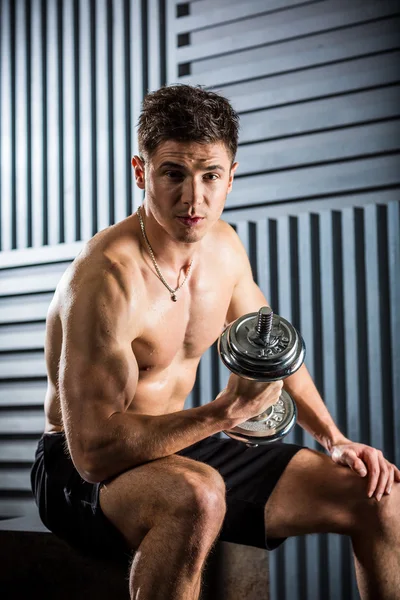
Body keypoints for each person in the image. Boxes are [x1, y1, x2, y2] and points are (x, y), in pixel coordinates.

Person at [31, 84, 400, 600]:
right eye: (173, 174)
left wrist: (334, 439)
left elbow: (272, 349)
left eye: (210, 176)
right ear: (142, 173)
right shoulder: (105, 280)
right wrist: (224, 414)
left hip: (180, 443)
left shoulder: (223, 247)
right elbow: (94, 451)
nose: (193, 198)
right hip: (77, 467)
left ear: (232, 176)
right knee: (197, 495)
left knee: (377, 495)